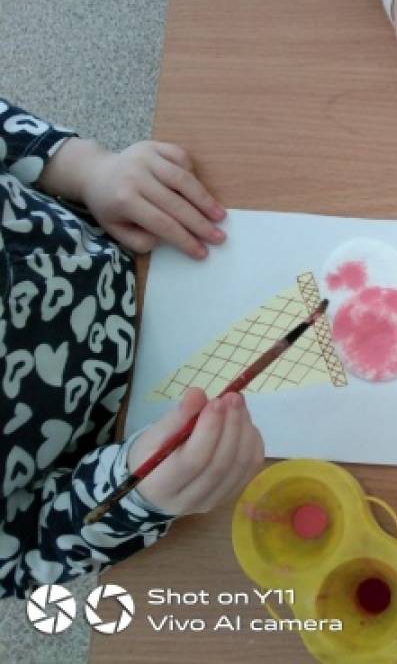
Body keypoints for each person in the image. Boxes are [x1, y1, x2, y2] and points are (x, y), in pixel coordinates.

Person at [0, 99, 264, 597]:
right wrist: (134, 496)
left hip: (128, 241)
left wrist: (86, 169)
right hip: (117, 447)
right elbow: (23, 554)